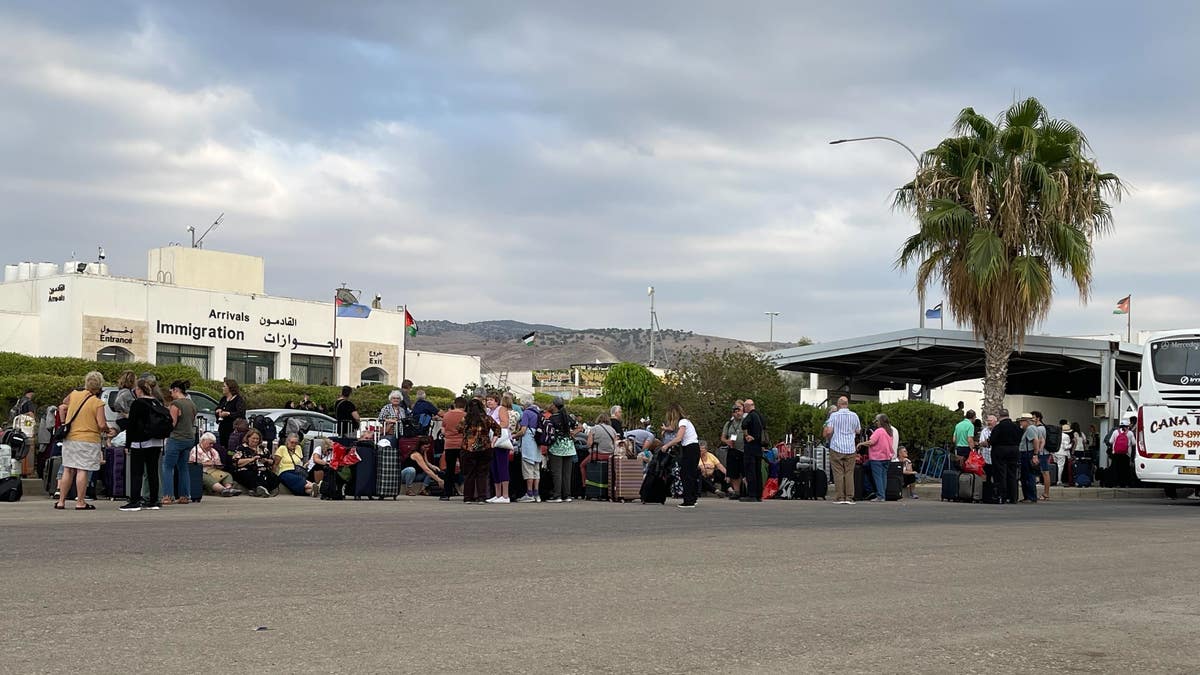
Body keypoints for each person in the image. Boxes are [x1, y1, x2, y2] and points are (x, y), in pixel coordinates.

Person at [54, 372, 109, 511]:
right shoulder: (97, 403)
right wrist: (108, 430)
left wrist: (65, 418)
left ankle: (61, 501)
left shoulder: (74, 395)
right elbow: (101, 424)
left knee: (68, 468)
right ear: (100, 386)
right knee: (82, 470)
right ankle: (80, 501)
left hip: (70, 437)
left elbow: (63, 405)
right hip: (88, 440)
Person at [119, 375, 169, 511]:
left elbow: (132, 425)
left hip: (140, 442)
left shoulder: (138, 403)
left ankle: (135, 501)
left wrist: (127, 444)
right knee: (152, 471)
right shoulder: (157, 402)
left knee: (137, 472)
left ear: (139, 390)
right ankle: (154, 501)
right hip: (157, 441)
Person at [160, 380, 196, 505]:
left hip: (176, 439)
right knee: (183, 467)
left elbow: (172, 423)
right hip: (189, 438)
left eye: (171, 391)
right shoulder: (191, 403)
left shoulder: (175, 404)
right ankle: (185, 495)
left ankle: (167, 495)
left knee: (168, 467)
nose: (171, 394)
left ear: (176, 390)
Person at [458, 397, 500, 504]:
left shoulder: (465, 419)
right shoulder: (487, 418)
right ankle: (481, 497)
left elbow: (458, 429)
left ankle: (468, 497)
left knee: (469, 474)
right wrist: (492, 442)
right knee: (482, 473)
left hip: (468, 448)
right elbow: (498, 429)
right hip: (485, 448)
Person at [659, 403, 701, 509]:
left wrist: (666, 445)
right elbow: (673, 429)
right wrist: (667, 429)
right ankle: (692, 497)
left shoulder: (683, 422)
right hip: (693, 448)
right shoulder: (686, 422)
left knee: (685, 474)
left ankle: (688, 500)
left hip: (690, 448)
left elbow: (678, 438)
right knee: (691, 473)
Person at [824, 396, 861, 505]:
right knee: (849, 473)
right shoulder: (854, 415)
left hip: (836, 447)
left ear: (839, 404)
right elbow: (858, 431)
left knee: (838, 473)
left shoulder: (834, 416)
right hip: (850, 447)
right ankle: (849, 497)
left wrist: (827, 434)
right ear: (847, 404)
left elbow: (829, 431)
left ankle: (840, 497)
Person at [544, 397, 578, 504]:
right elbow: (579, 427)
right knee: (567, 473)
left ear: (554, 405)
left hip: (557, 448)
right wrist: (573, 433)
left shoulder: (552, 419)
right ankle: (567, 495)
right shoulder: (567, 417)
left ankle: (557, 495)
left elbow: (549, 433)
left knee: (557, 473)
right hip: (569, 447)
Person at [858, 413, 896, 503]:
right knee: (883, 477)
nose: (876, 423)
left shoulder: (879, 431)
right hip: (887, 457)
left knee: (877, 477)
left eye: (876, 421)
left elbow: (871, 442)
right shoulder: (889, 431)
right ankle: (883, 495)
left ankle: (880, 496)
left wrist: (861, 443)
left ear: (880, 422)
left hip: (877, 458)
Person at [230, 429, 279, 497]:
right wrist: (251, 459)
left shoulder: (263, 449)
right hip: (245, 470)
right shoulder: (241, 448)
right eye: (253, 438)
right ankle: (259, 489)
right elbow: (236, 462)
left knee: (273, 477)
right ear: (248, 438)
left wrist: (266, 460)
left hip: (262, 470)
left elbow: (272, 461)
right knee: (252, 476)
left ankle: (258, 490)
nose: (255, 440)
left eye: (257, 439)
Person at [988, 409, 1022, 504]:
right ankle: (1013, 497)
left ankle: (1002, 496)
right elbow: (1020, 438)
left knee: (1000, 473)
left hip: (1000, 450)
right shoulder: (1016, 427)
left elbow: (992, 440)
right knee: (1012, 473)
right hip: (1014, 450)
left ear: (999, 416)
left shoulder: (998, 427)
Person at [190, 432, 240, 496]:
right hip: (202, 471)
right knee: (207, 478)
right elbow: (192, 464)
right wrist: (205, 464)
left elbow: (218, 463)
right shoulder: (195, 450)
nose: (211, 445)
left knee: (227, 475)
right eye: (210, 443)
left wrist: (219, 466)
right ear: (203, 441)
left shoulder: (213, 451)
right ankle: (223, 490)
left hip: (213, 470)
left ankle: (228, 488)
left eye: (213, 444)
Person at [483, 394, 511, 504]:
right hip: (491, 441)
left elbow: (505, 423)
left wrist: (493, 426)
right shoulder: (488, 412)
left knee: (502, 467)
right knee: (494, 468)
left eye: (491, 400)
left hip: (500, 441)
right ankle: (497, 494)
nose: (489, 402)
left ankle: (505, 495)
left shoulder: (501, 409)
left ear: (496, 401)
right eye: (487, 400)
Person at [582, 412, 619, 493]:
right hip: (610, 456)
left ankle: (585, 485)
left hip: (597, 455)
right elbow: (616, 444)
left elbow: (589, 444)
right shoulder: (612, 430)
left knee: (582, 465)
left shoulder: (594, 429)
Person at [515, 395, 543, 502]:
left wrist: (513, 436)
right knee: (536, 470)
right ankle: (537, 494)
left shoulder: (527, 413)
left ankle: (529, 493)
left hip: (529, 444)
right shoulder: (538, 412)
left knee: (528, 470)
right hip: (537, 444)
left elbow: (523, 430)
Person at [439, 397, 467, 501]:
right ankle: (467, 492)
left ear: (454, 404)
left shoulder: (446, 415)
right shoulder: (465, 416)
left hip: (449, 444)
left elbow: (442, 430)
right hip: (462, 444)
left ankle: (447, 493)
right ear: (464, 406)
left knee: (449, 469)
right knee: (465, 469)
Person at [740, 398, 768, 503]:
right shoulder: (760, 416)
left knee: (750, 471)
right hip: (759, 448)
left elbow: (744, 424)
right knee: (758, 471)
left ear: (747, 406)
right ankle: (759, 494)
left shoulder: (751, 415)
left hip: (750, 448)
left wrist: (747, 435)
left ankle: (752, 494)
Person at [1017, 413, 1044, 503]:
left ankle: (1030, 497)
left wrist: (1035, 454)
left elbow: (1035, 440)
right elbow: (1041, 440)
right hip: (1029, 453)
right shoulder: (1035, 428)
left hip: (1028, 454)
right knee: (1028, 475)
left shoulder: (1030, 429)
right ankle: (1028, 496)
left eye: (1022, 421)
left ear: (1026, 421)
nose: (1021, 423)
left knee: (1028, 476)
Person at [721, 401, 745, 498]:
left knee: (744, 472)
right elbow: (722, 437)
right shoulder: (729, 423)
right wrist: (727, 441)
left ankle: (747, 491)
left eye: (739, 411)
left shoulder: (745, 421)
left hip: (744, 450)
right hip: (733, 450)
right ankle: (737, 492)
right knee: (734, 473)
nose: (738, 413)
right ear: (732, 413)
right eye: (735, 411)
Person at [214, 378, 246, 449]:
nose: (222, 388)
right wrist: (218, 411)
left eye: (224, 386)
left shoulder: (238, 400)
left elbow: (241, 413)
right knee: (223, 447)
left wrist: (228, 414)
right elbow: (218, 407)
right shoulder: (223, 399)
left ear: (230, 388)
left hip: (233, 430)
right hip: (223, 428)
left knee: (231, 448)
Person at [1107, 422, 1136, 488]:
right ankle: (1124, 483)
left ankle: (1115, 483)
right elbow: (1134, 443)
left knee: (1115, 469)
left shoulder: (1115, 432)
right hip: (1126, 454)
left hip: (1116, 454)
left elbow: (1111, 441)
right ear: (1127, 426)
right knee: (1125, 470)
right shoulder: (1130, 433)